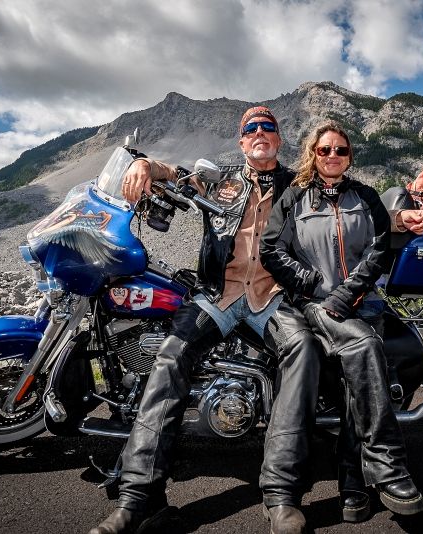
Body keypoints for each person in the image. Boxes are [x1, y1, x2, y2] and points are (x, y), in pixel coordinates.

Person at [89, 106, 321, 534]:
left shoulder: (299, 185)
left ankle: (282, 494)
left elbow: (344, 197)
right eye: (250, 128)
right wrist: (144, 163)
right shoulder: (221, 179)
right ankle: (139, 499)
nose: (259, 132)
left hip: (270, 297)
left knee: (302, 349)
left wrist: (406, 208)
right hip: (218, 293)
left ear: (278, 138)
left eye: (267, 127)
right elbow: (171, 173)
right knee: (170, 356)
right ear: (241, 141)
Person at [260, 120, 423, 521]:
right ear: (313, 154)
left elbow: (379, 249)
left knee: (361, 375)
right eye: (325, 150)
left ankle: (352, 477)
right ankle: (380, 467)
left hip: (361, 301)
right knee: (363, 348)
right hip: (313, 302)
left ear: (350, 156)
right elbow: (271, 249)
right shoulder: (295, 196)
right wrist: (311, 284)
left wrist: (349, 291)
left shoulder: (365, 196)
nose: (333, 156)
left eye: (341, 150)